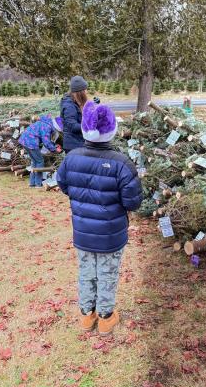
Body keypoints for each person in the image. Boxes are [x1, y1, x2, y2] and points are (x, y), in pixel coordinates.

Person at [57, 100, 143, 336]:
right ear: (111, 129)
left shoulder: (71, 158)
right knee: (107, 273)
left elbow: (63, 183)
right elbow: (133, 201)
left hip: (83, 230)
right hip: (110, 234)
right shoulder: (121, 163)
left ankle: (87, 315)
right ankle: (105, 317)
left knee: (86, 271)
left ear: (85, 128)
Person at [18, 115, 63, 188]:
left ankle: (32, 183)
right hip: (31, 142)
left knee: (35, 161)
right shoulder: (47, 127)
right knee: (40, 161)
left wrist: (54, 146)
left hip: (24, 140)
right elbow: (46, 141)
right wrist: (55, 149)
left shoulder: (44, 122)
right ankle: (38, 184)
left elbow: (45, 140)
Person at [60, 76, 87, 153]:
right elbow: (73, 126)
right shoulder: (69, 106)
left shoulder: (74, 101)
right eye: (85, 90)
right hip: (73, 146)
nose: (86, 92)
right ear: (80, 92)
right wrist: (89, 126)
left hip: (78, 143)